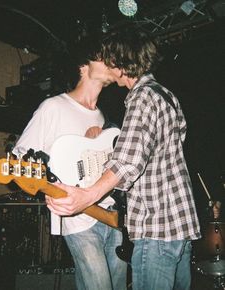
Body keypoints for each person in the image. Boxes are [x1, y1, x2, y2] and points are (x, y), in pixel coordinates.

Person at [46, 22, 202, 290]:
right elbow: (163, 146)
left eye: (109, 59)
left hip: (156, 229)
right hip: (180, 227)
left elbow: (128, 161)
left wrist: (87, 195)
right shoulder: (166, 96)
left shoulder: (141, 97)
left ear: (120, 62)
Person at [12, 37, 127, 290]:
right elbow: (21, 154)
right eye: (102, 57)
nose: (110, 62)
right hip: (77, 216)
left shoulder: (101, 117)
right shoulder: (53, 107)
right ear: (83, 67)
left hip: (111, 211)